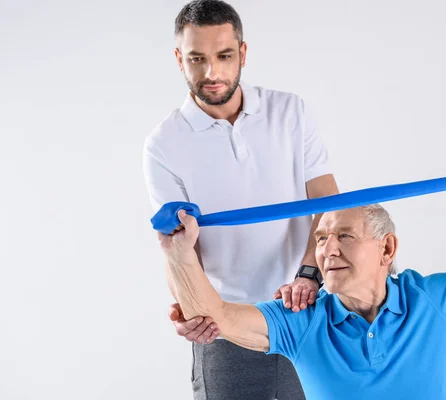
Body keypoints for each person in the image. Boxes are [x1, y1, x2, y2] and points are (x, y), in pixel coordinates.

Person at [158, 149, 446, 400]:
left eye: (344, 236)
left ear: (387, 248)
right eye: (320, 238)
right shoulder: (300, 319)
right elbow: (218, 317)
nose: (327, 249)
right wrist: (178, 252)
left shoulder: (433, 299)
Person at [142, 0, 339, 398]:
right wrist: (190, 307)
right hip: (226, 323)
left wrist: (308, 275)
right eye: (197, 58)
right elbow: (179, 251)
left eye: (224, 56)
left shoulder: (291, 112)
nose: (211, 72)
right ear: (180, 59)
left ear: (243, 54)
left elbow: (328, 204)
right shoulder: (163, 145)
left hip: (308, 309)